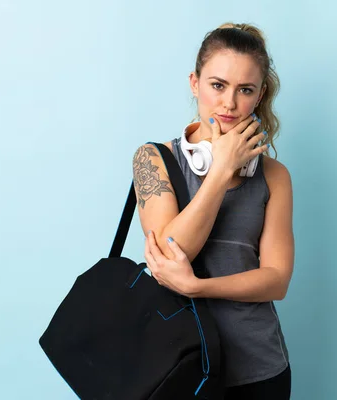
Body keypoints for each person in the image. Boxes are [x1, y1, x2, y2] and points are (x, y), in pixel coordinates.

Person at [132, 22, 294, 400]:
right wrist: (220, 171)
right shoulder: (153, 160)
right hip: (178, 368)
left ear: (260, 94)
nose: (229, 104)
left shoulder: (275, 176)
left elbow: (276, 280)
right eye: (217, 85)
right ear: (195, 83)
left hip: (260, 368)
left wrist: (198, 287)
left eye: (245, 90)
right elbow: (173, 252)